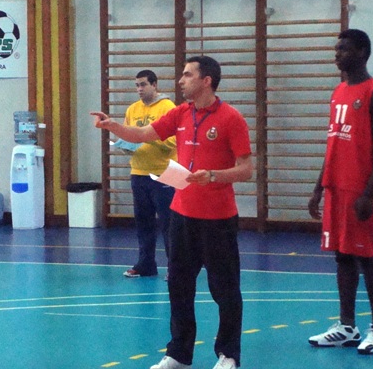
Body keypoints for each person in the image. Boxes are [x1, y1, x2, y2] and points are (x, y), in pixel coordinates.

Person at [92, 56, 253, 369]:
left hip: (218, 220)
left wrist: (214, 176)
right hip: (182, 215)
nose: (181, 80)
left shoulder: (231, 118)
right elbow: (142, 135)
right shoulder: (180, 113)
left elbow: (246, 168)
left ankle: (228, 354)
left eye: (187, 75)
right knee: (178, 287)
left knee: (225, 290)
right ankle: (179, 354)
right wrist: (112, 125)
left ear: (206, 80)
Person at [307, 29, 373, 355]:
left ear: (362, 52)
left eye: (343, 49)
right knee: (342, 256)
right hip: (336, 187)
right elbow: (333, 143)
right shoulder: (339, 91)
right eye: (336, 48)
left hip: (360, 190)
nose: (337, 54)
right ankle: (347, 325)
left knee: (366, 256)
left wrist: (369, 193)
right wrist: (318, 187)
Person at [122, 70, 176, 278]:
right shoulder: (132, 109)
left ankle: (175, 268)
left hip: (164, 173)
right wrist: (125, 145)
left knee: (169, 224)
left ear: (155, 85)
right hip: (139, 172)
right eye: (137, 85)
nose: (139, 89)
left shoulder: (168, 108)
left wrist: (148, 136)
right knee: (143, 223)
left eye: (143, 84)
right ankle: (146, 265)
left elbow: (173, 142)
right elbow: (128, 135)